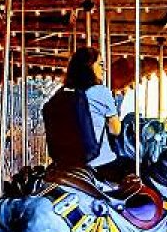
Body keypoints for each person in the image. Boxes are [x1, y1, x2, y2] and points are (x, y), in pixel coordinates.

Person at [51, 46, 130, 184]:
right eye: (100, 64)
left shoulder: (63, 93)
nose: (103, 69)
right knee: (137, 172)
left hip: (67, 164)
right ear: (89, 66)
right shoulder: (101, 92)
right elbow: (116, 130)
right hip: (101, 163)